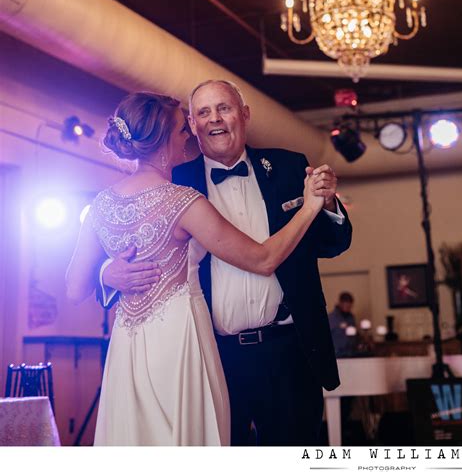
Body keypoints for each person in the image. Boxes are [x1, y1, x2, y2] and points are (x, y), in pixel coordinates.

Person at [66, 91, 326, 446]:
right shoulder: (183, 200)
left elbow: (73, 288)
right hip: (181, 340)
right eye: (180, 129)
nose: (188, 134)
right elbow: (263, 259)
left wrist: (106, 272)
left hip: (129, 343)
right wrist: (310, 207)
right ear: (161, 140)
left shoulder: (101, 203)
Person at [328, 291, 357, 358]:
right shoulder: (331, 318)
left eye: (349, 305)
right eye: (345, 304)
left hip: (350, 354)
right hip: (337, 355)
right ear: (340, 303)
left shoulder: (351, 318)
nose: (348, 307)